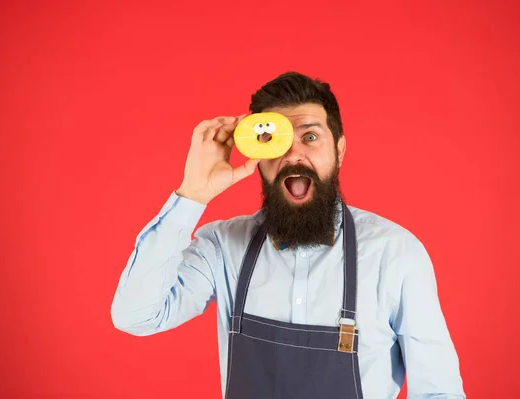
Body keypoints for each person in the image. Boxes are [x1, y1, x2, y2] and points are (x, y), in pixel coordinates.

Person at [110, 72, 466, 398]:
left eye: (310, 137)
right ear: (256, 155)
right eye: (271, 139)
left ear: (338, 151)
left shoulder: (396, 254)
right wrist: (192, 193)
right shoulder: (222, 248)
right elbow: (138, 315)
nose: (293, 153)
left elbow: (439, 391)